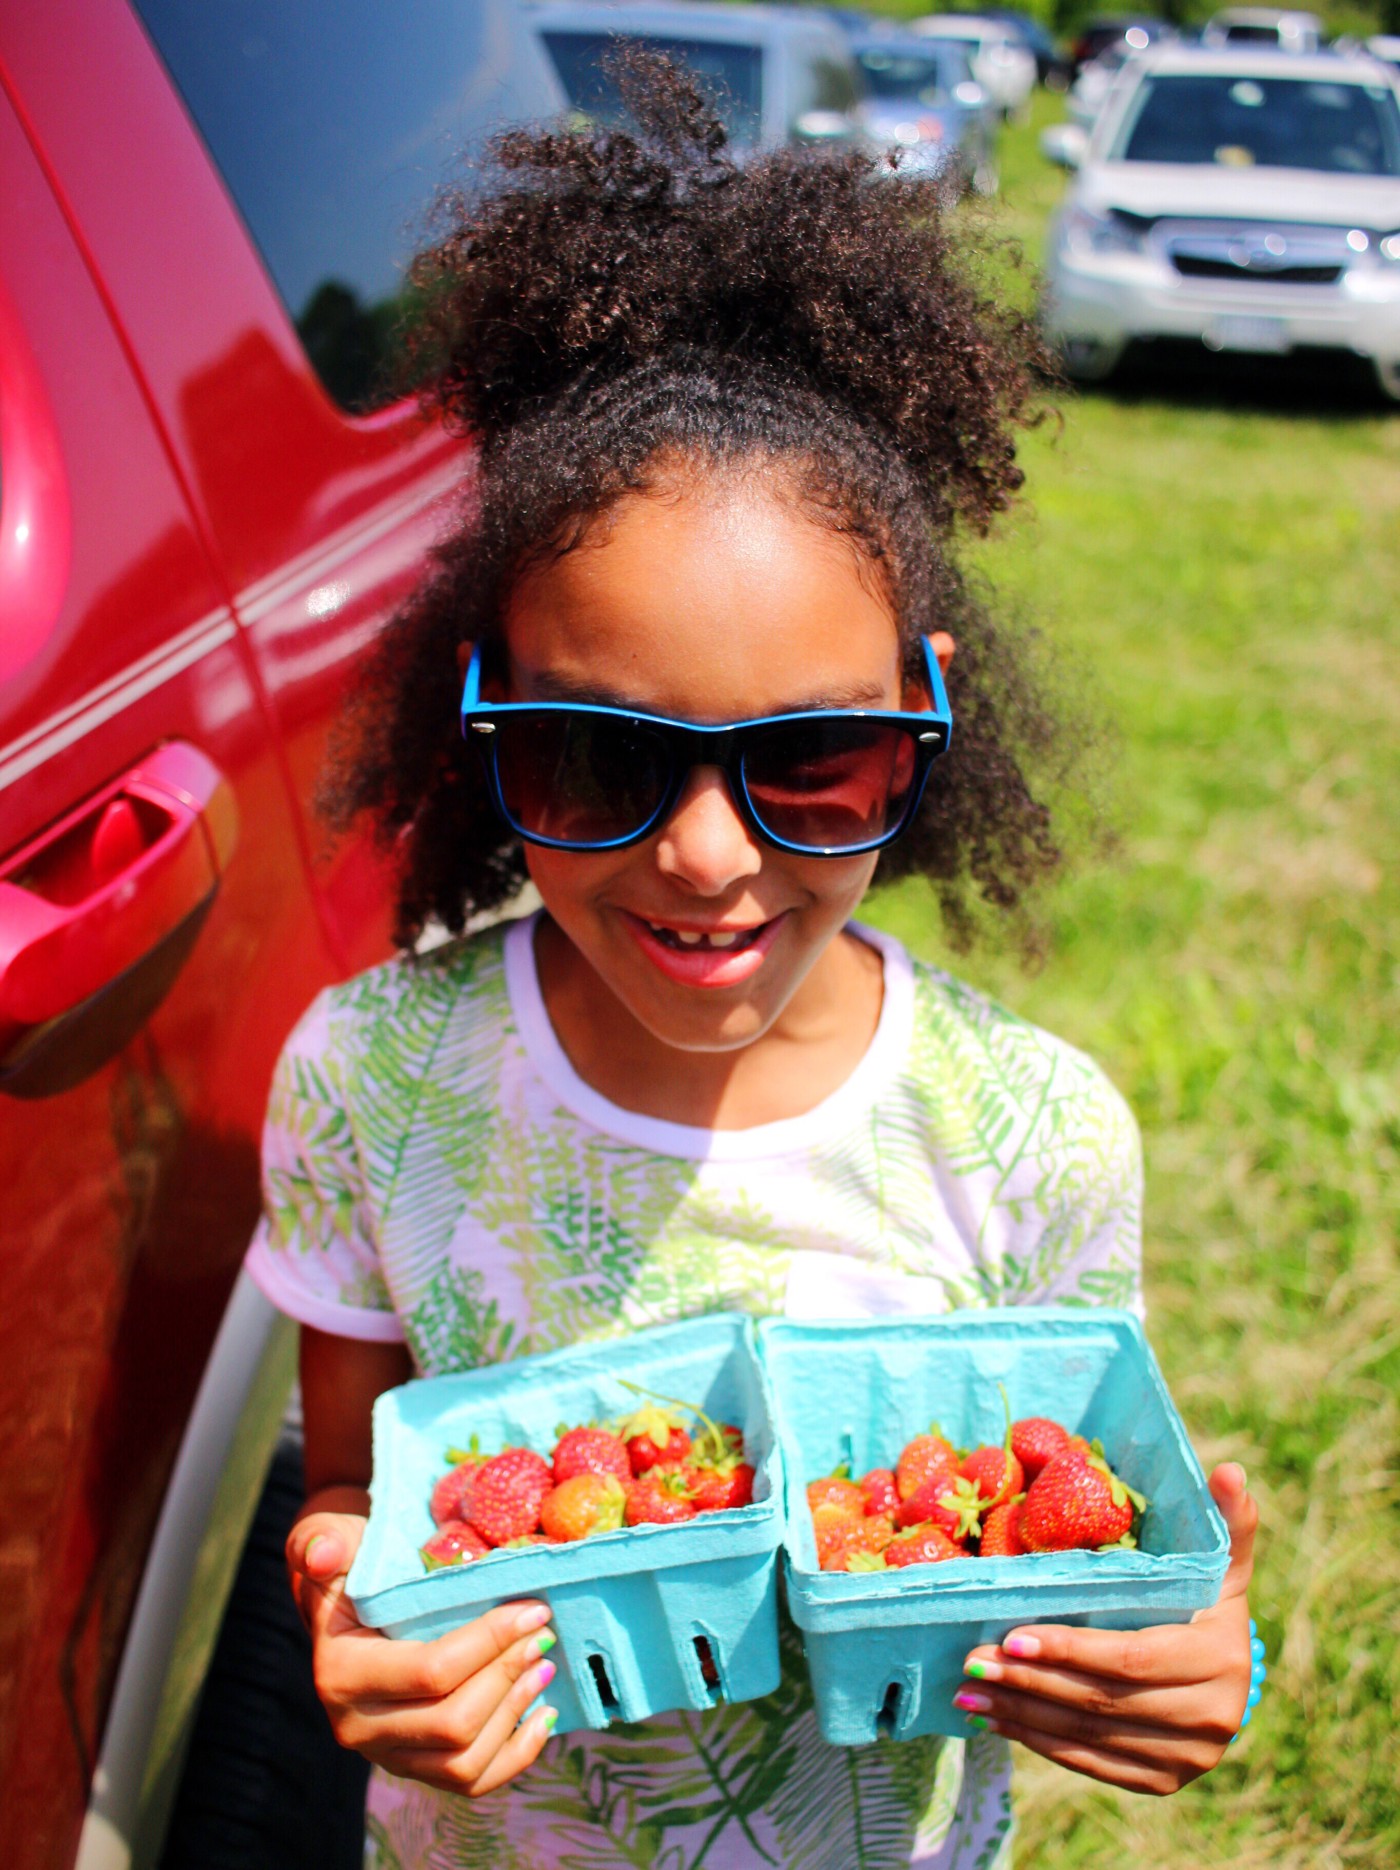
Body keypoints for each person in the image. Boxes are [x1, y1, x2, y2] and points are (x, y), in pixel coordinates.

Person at [244, 60, 1259, 1870]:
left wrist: (1174, 1653)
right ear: (476, 711)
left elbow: (1081, 1550)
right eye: (596, 755)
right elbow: (351, 1494)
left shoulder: (1033, 1135)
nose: (706, 853)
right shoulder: (367, 1082)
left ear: (926, 722)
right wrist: (352, 1607)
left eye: (812, 761)